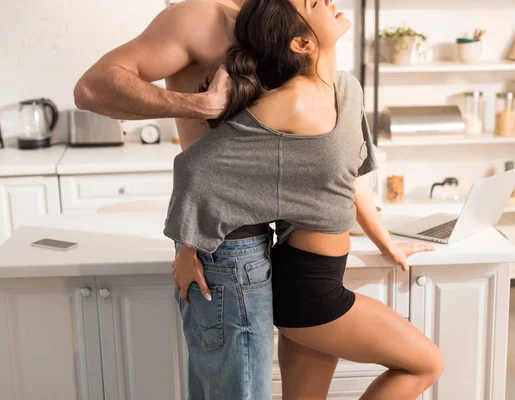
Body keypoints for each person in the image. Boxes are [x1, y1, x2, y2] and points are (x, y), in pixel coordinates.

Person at [164, 0, 445, 398]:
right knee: (427, 363)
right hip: (310, 292)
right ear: (301, 43)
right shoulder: (292, 102)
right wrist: (187, 250)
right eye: (313, 3)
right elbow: (197, 168)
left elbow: (352, 177)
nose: (327, 2)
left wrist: (386, 241)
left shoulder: (345, 87)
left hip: (315, 278)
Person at [73, 1, 276, 399]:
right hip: (227, 248)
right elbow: (91, 88)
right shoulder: (202, 16)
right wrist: (200, 104)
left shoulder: (285, 16)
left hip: (265, 244)